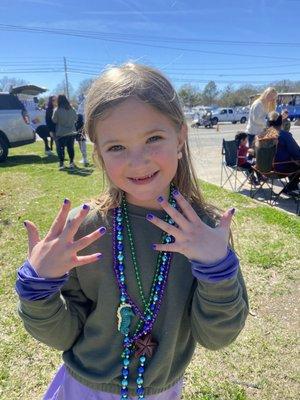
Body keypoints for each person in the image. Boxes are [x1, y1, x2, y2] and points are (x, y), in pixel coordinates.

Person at [15, 63, 249, 400]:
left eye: (153, 138)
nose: (138, 162)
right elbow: (62, 336)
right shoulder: (86, 231)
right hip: (84, 389)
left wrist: (216, 269)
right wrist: (39, 288)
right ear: (99, 155)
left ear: (180, 138)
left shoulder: (207, 233)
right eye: (116, 147)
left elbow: (217, 337)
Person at [266, 111, 300, 193]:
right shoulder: (284, 135)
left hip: (263, 169)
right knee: (296, 164)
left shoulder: (261, 134)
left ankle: (293, 186)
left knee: (292, 162)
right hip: (278, 170)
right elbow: (297, 153)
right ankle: (290, 187)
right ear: (281, 123)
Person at [52, 94, 78, 170]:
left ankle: (61, 163)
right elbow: (76, 118)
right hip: (71, 131)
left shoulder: (57, 109)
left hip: (61, 132)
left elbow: (54, 120)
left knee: (60, 148)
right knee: (70, 148)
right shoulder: (72, 109)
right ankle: (71, 162)